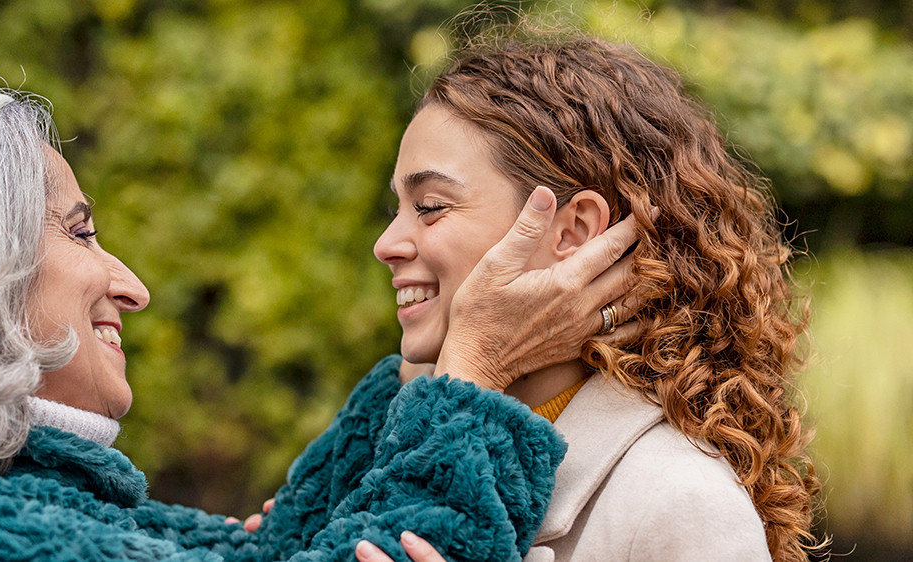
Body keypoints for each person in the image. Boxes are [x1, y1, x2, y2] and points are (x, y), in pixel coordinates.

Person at [0, 84, 640, 561]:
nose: (131, 284)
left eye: (431, 210)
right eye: (79, 232)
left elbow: (262, 555)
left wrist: (438, 363)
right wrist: (472, 375)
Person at [351, 31, 821, 561]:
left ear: (571, 233)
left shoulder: (680, 502)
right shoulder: (384, 440)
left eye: (431, 205)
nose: (386, 244)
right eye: (398, 208)